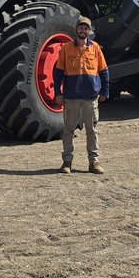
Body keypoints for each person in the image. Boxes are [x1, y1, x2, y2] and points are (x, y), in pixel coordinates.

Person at [53, 15, 109, 174]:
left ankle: (94, 162)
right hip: (71, 97)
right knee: (68, 130)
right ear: (76, 29)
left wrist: (105, 91)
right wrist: (58, 92)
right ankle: (67, 162)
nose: (83, 30)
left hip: (91, 97)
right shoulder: (66, 49)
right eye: (81, 27)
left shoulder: (95, 48)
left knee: (92, 130)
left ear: (89, 31)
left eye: (86, 28)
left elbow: (104, 71)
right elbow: (58, 73)